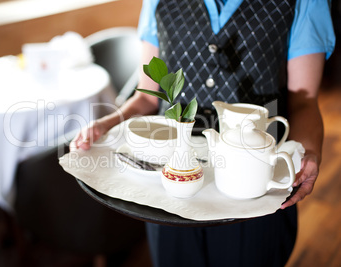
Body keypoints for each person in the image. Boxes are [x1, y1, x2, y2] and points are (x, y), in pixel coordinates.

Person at [71, 0, 335, 266]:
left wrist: (309, 151)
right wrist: (107, 124)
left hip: (251, 190)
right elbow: (148, 98)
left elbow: (304, 100)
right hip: (170, 190)